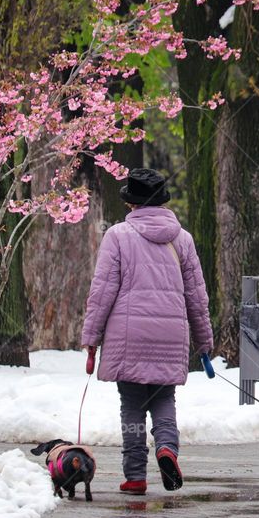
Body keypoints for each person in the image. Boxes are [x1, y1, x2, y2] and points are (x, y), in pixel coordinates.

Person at [81, 168, 213, 496]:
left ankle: (136, 476)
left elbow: (102, 292)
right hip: (171, 335)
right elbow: (197, 295)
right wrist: (204, 341)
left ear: (131, 204)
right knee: (164, 398)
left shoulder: (117, 236)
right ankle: (167, 448)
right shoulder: (182, 239)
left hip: (129, 336)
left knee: (132, 406)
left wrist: (91, 338)